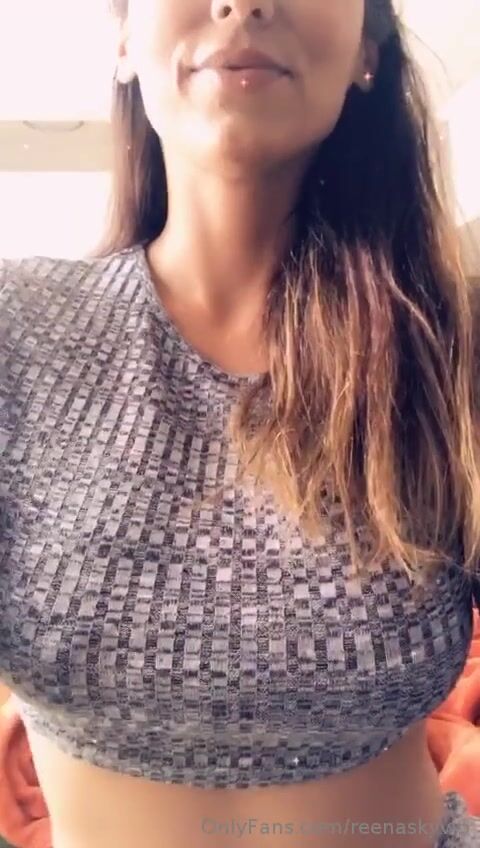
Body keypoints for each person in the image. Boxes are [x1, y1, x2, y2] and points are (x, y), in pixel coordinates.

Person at [1, 0, 480, 846]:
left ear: (367, 50)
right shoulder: (18, 332)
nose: (245, 2)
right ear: (124, 38)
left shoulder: (454, 348)